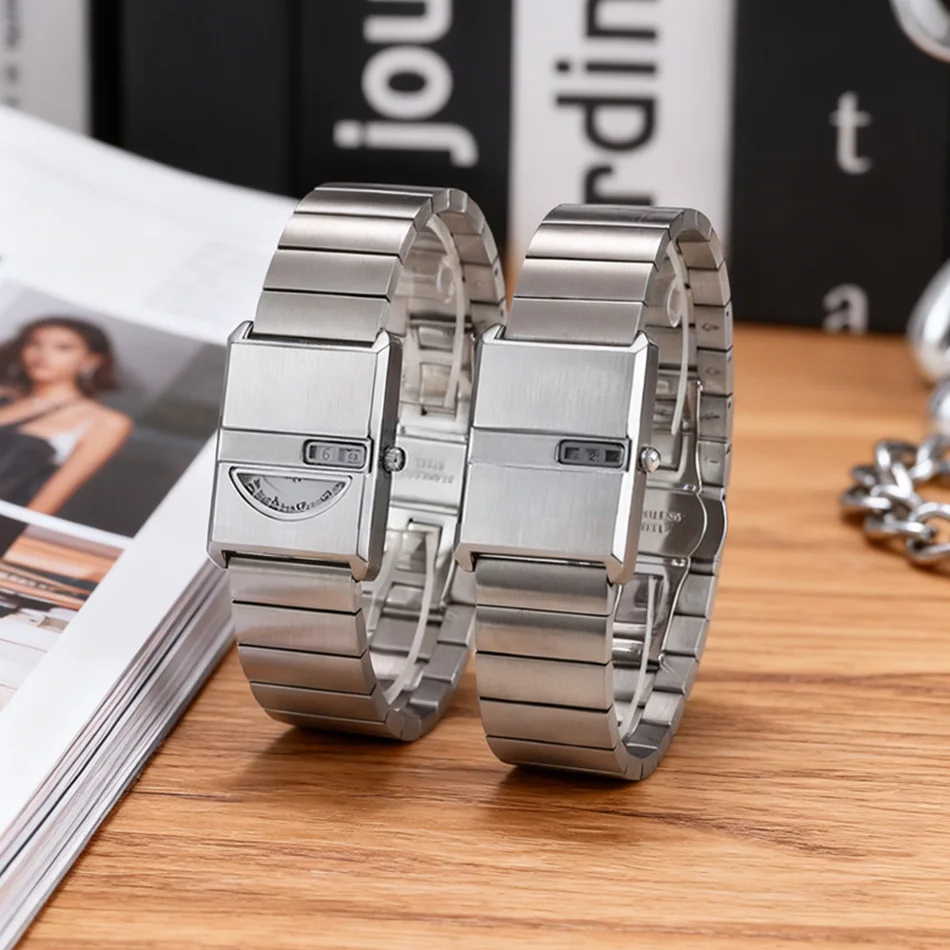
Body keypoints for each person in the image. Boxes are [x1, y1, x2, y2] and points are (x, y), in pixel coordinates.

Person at [0, 317, 132, 515]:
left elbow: (45, 504)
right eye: (34, 344)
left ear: (91, 360)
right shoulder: (5, 396)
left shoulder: (104, 422)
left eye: (63, 348)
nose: (43, 355)